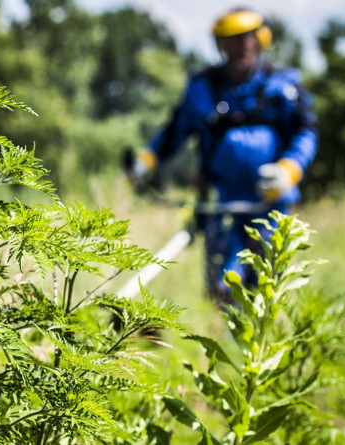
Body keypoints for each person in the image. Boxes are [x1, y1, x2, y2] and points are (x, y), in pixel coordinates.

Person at [126, 8, 317, 303]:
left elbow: (306, 132)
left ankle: (258, 348)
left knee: (268, 289)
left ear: (261, 38)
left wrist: (290, 169)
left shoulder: (283, 84)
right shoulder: (202, 87)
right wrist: (146, 162)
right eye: (231, 39)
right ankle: (224, 343)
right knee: (223, 288)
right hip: (220, 205)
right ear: (219, 44)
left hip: (271, 204)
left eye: (247, 38)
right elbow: (174, 131)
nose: (241, 46)